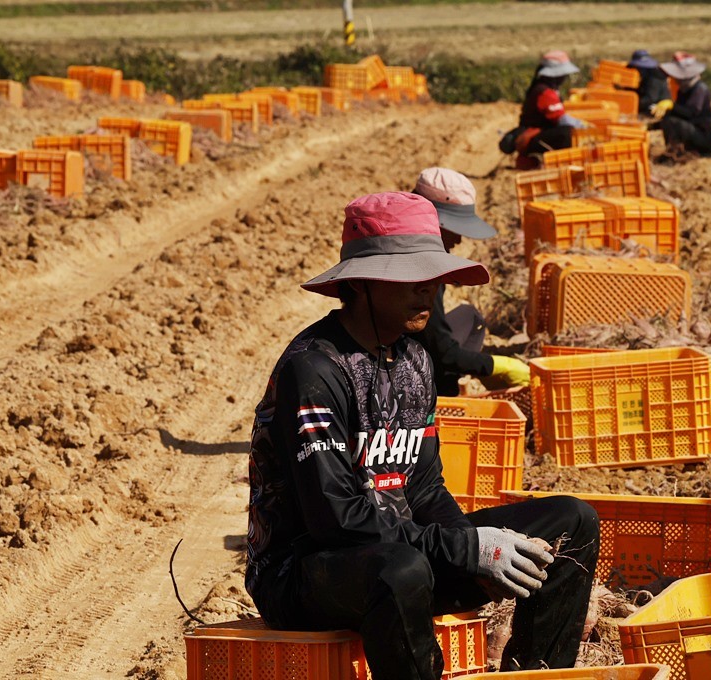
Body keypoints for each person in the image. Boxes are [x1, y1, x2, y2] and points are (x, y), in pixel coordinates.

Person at [245, 191, 600, 679]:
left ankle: (537, 673)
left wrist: (475, 545)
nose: (427, 290)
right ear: (365, 282)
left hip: (407, 550)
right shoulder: (314, 369)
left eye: (432, 278)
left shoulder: (413, 359)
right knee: (401, 570)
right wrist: (463, 549)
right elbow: (335, 520)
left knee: (570, 522)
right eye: (412, 278)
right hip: (309, 573)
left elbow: (425, 489)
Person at [409, 167, 530, 397]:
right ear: (436, 222)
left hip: (416, 346)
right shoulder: (424, 265)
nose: (459, 238)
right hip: (398, 365)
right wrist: (494, 365)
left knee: (472, 318)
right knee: (444, 365)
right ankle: (440, 403)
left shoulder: (419, 247)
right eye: (454, 229)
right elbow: (443, 353)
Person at [510, 50, 588, 170]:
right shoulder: (545, 93)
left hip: (534, 135)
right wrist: (583, 126)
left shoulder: (545, 89)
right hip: (530, 139)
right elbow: (560, 119)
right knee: (566, 133)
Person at [653, 51, 711, 157]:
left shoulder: (699, 89)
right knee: (669, 119)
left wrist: (672, 105)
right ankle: (675, 151)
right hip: (694, 131)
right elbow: (678, 113)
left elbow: (690, 113)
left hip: (705, 136)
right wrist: (651, 126)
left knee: (672, 122)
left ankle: (674, 153)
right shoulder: (684, 90)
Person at [626, 49, 671, 118]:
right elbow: (642, 91)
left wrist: (630, 103)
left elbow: (650, 99)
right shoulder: (647, 76)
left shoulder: (655, 78)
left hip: (658, 110)